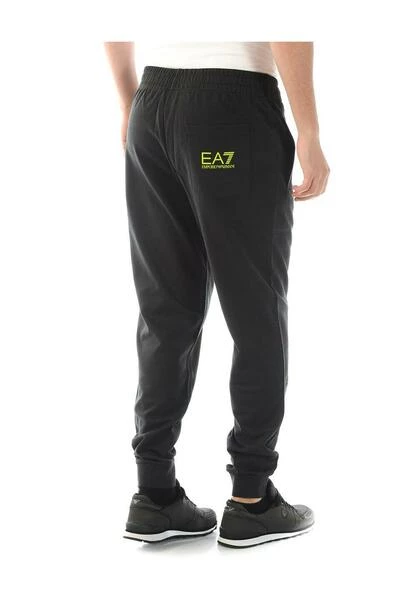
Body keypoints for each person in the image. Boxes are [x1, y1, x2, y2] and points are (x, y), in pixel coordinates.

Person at [104, 41, 330, 548]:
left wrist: (129, 102)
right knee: (256, 310)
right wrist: (310, 131)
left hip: (152, 106)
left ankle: (154, 494)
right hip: (232, 105)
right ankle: (252, 498)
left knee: (164, 311)